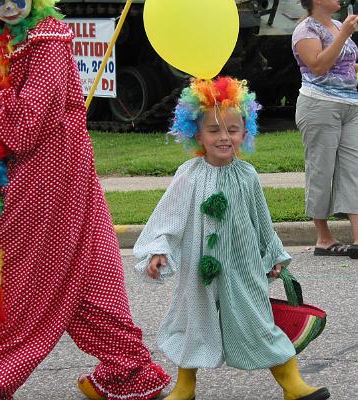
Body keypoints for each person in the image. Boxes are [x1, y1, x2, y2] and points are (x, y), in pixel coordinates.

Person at [0, 1, 170, 399]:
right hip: (44, 177)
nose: (8, 5)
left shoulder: (48, 37)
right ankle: (129, 369)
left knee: (25, 281)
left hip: (47, 182)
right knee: (92, 272)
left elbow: (25, 127)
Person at [133, 77, 330, 400]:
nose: (224, 137)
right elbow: (169, 215)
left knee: (257, 319)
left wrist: (274, 254)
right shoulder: (189, 174)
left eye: (233, 130)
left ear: (245, 131)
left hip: (243, 264)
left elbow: (260, 219)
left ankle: (292, 384)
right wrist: (159, 249)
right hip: (200, 267)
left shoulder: (247, 175)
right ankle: (185, 388)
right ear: (196, 133)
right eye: (214, 130)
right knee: (194, 319)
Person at [292, 0, 358, 258]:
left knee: (353, 169)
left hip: (350, 106)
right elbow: (318, 66)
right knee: (321, 169)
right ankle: (323, 238)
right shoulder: (306, 30)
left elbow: (345, 67)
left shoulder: (339, 24)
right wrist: (343, 36)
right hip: (319, 105)